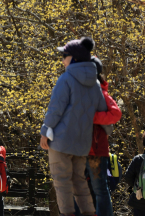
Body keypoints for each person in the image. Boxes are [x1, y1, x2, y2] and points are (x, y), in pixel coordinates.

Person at [40, 37, 107, 216]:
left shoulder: (66, 78)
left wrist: (45, 131)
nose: (62, 60)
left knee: (62, 182)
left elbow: (55, 109)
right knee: (80, 182)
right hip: (82, 143)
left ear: (74, 58)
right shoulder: (96, 84)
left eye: (65, 56)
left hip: (61, 142)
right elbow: (102, 112)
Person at [74, 57, 122, 216]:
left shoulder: (101, 94)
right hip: (81, 150)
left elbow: (116, 114)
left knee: (99, 189)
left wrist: (92, 117)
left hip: (94, 150)